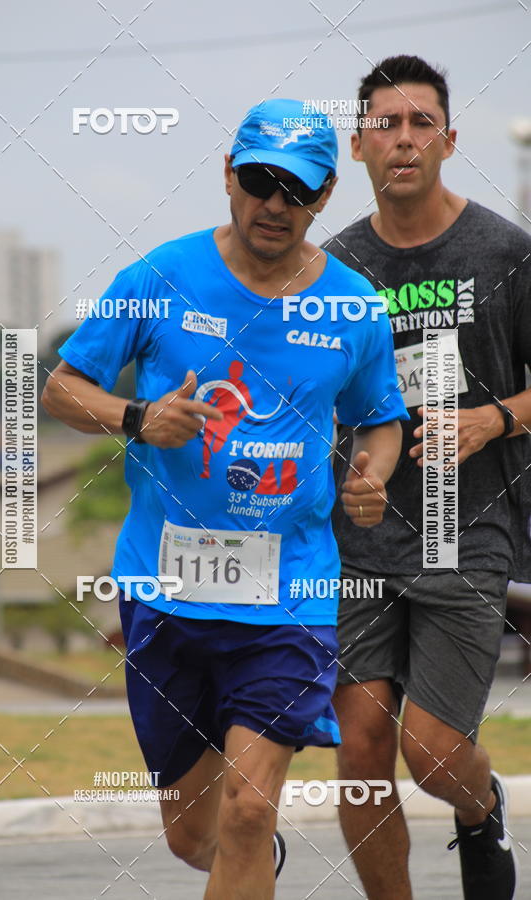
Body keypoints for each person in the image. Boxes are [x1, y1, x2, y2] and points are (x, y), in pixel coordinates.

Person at [42, 98, 408, 899]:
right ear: (228, 176)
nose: (275, 203)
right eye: (260, 180)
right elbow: (61, 388)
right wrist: (139, 418)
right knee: (194, 836)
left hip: (291, 592)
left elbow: (382, 418)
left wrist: (373, 474)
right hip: (165, 592)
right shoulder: (158, 278)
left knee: (247, 809)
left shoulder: (353, 306)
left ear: (325, 196)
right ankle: (249, 865)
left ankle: (250, 845)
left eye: (297, 188)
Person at [323, 55, 531, 900]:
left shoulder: (506, 253)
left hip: (465, 529)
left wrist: (495, 419)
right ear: (358, 145)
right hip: (359, 540)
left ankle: (480, 808)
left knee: (434, 752)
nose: (403, 139)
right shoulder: (331, 269)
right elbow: (310, 404)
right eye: (385, 124)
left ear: (448, 140)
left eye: (420, 124)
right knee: (361, 754)